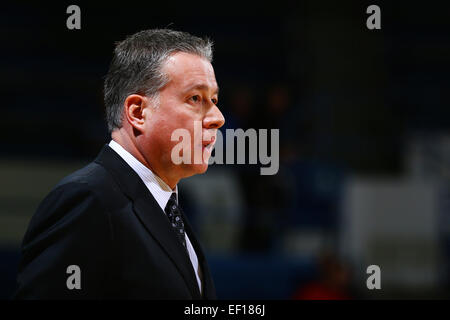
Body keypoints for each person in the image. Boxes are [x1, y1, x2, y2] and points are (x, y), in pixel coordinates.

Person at [13, 29, 225, 299]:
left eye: (214, 100)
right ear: (137, 112)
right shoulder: (88, 200)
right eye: (195, 98)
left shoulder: (167, 208)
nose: (217, 117)